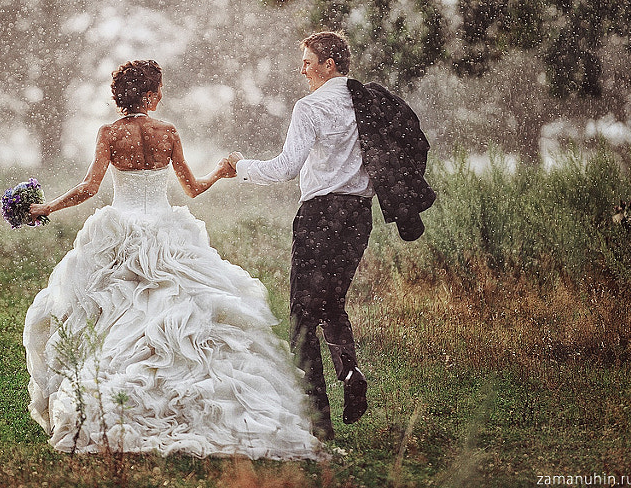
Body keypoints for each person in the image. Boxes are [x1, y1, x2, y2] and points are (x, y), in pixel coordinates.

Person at [22, 60, 323, 461]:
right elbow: (193, 188)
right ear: (149, 95)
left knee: (111, 311)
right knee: (180, 306)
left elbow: (89, 188)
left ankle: (113, 389)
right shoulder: (167, 132)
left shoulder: (110, 133)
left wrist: (47, 207)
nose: (162, 95)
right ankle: (199, 394)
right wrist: (220, 172)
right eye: (159, 89)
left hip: (120, 232)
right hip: (168, 231)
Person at [226, 31, 376, 441]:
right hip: (359, 215)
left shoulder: (311, 107)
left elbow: (286, 167)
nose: (302, 70)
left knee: (302, 315)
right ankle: (350, 370)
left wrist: (241, 166)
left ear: (330, 65)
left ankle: (317, 420)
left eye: (308, 62)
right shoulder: (366, 102)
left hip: (321, 216)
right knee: (332, 303)